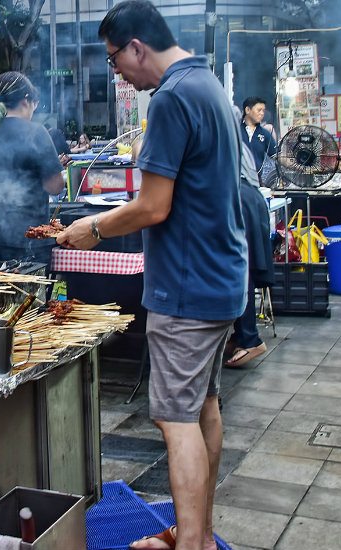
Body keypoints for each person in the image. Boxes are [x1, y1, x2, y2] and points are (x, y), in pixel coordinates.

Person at [56, 2, 247, 549]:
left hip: (186, 287)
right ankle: (197, 534)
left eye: (116, 58)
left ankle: (189, 545)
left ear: (137, 46)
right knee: (203, 407)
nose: (117, 72)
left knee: (175, 420)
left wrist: (92, 227)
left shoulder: (171, 97)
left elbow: (152, 206)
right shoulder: (208, 84)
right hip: (221, 279)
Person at [0, 71, 65, 261]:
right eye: (34, 106)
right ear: (26, 101)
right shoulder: (36, 133)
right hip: (24, 234)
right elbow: (55, 186)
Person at [225, 138, 273, 368]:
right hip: (249, 198)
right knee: (239, 270)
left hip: (239, 199)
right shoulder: (231, 134)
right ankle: (240, 335)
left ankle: (250, 339)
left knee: (238, 270)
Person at [241, 97, 277, 177]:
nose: (262, 113)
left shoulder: (265, 134)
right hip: (236, 181)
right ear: (247, 110)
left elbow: (277, 156)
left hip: (256, 181)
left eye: (263, 111)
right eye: (259, 110)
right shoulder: (235, 130)